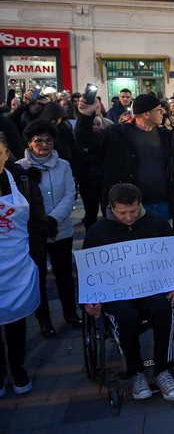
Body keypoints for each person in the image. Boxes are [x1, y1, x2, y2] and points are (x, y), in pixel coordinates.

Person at [82, 183, 174, 401]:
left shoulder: (157, 223)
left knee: (164, 307)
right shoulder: (97, 232)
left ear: (140, 204)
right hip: (118, 296)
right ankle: (135, 372)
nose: (129, 217)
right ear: (111, 208)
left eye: (133, 211)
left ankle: (163, 370)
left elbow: (173, 260)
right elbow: (88, 273)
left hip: (152, 289)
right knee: (125, 317)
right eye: (122, 213)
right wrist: (90, 301)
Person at [16, 120, 81, 338]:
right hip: (34, 233)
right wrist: (41, 223)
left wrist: (54, 219)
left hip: (61, 229)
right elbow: (21, 202)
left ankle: (71, 313)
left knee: (64, 275)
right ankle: (43, 319)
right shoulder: (20, 168)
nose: (44, 145)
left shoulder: (63, 165)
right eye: (38, 141)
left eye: (48, 140)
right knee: (39, 276)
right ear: (30, 142)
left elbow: (69, 194)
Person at [76, 93, 174, 221]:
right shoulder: (117, 133)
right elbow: (87, 141)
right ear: (146, 114)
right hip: (128, 208)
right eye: (158, 110)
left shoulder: (166, 135)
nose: (163, 112)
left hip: (163, 205)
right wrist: (85, 116)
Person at [0, 133, 47, 396]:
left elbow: (38, 219)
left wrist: (34, 255)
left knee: (16, 321)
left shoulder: (23, 181)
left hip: (17, 263)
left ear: (7, 154)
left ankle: (17, 368)